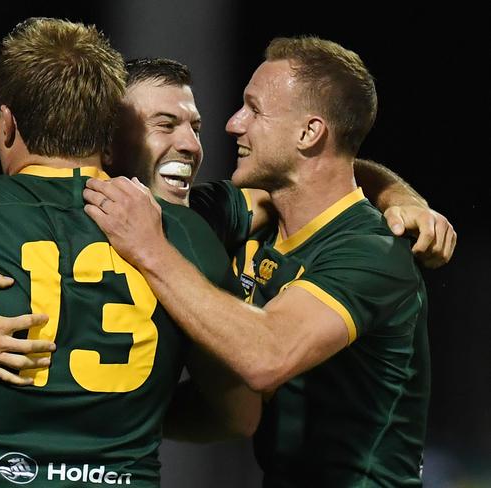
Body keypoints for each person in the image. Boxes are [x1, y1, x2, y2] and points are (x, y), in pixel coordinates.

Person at [0, 18, 258, 487]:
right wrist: (123, 415)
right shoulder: (187, 235)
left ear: (7, 122)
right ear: (106, 130)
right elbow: (239, 414)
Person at [82, 39, 439, 486]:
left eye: (253, 109)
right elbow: (236, 416)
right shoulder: (249, 219)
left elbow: (266, 355)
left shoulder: (374, 251)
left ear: (309, 133)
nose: (232, 125)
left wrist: (151, 250)